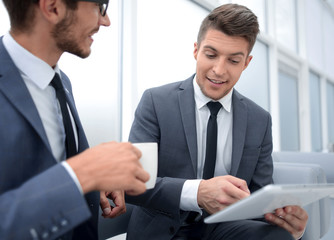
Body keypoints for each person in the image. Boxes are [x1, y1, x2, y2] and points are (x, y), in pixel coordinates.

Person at [117, 3, 308, 240]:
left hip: (224, 228)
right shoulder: (155, 102)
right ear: (196, 50)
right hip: (162, 230)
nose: (219, 70)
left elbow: (258, 198)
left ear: (246, 63)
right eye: (211, 54)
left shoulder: (260, 120)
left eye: (233, 61)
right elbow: (134, 185)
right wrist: (197, 193)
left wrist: (287, 224)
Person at [0, 0, 150, 239]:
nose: (106, 21)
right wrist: (81, 175)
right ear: (53, 7)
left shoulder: (61, 82)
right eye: (100, 6)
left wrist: (92, 184)